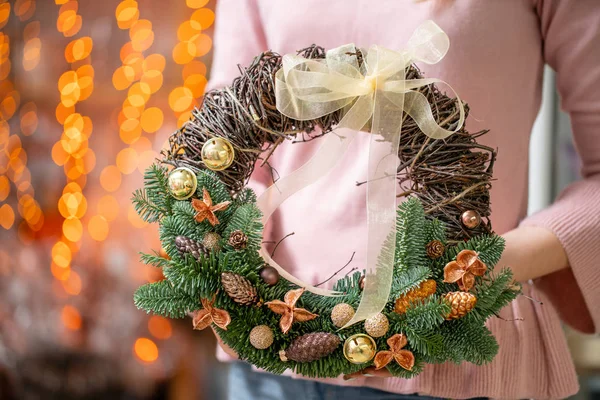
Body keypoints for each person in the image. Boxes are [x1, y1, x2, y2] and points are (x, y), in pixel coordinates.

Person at [206, 1, 600, 399]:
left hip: (449, 354)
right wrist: (233, 246)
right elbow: (225, 140)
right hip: (272, 350)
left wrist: (476, 266)